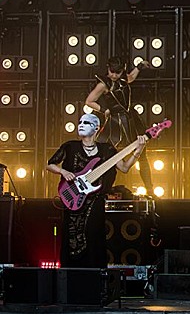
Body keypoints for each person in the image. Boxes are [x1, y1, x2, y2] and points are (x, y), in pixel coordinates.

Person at [46, 113, 146, 268]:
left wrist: (138, 150)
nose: (81, 124)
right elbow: (50, 164)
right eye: (80, 122)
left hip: (95, 203)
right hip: (73, 201)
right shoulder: (70, 146)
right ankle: (69, 277)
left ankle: (94, 278)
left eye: (86, 122)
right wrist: (63, 172)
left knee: (94, 238)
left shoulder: (107, 150)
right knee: (71, 238)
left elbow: (125, 168)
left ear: (97, 128)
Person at [85, 56, 153, 194]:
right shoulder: (103, 84)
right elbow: (89, 101)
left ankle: (150, 189)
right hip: (115, 121)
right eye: (112, 72)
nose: (114, 75)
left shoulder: (123, 78)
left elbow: (131, 77)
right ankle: (96, 189)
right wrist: (105, 110)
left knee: (142, 153)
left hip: (130, 120)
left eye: (118, 72)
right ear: (107, 68)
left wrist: (139, 66)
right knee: (106, 156)